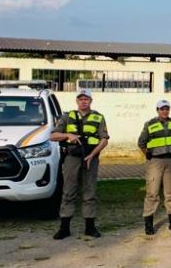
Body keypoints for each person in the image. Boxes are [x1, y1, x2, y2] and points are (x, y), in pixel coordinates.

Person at [51, 89, 109, 240]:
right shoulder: (67, 116)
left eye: (86, 99)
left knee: (90, 192)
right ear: (77, 101)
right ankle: (64, 228)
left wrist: (93, 154)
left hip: (91, 158)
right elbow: (53, 136)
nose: (83, 101)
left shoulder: (98, 117)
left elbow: (104, 139)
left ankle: (90, 227)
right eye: (81, 99)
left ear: (91, 101)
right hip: (72, 158)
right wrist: (67, 135)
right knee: (68, 192)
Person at [138, 99, 171, 235]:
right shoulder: (150, 124)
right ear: (157, 110)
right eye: (162, 109)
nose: (164, 111)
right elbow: (141, 142)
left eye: (166, 109)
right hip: (155, 162)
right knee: (152, 193)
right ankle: (149, 224)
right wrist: (148, 155)